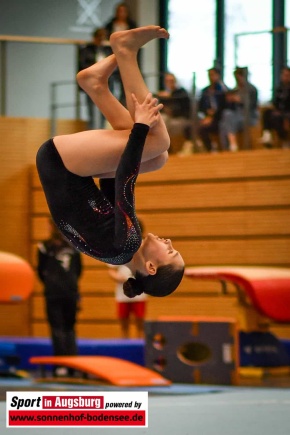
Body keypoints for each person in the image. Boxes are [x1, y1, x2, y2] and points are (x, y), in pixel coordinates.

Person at [36, 26, 185, 301]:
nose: (169, 243)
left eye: (171, 252)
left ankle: (126, 52)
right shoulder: (118, 253)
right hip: (67, 169)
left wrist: (140, 128)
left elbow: (124, 182)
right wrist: (134, 137)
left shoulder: (127, 244)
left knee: (158, 140)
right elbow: (112, 183)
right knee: (158, 158)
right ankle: (96, 85)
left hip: (62, 164)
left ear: (151, 267)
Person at [37, 219, 82, 376]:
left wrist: (51, 284)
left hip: (55, 292)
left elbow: (40, 271)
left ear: (51, 226)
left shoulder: (45, 246)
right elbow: (78, 271)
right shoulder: (73, 245)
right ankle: (71, 365)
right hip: (69, 291)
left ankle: (62, 364)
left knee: (58, 328)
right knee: (69, 328)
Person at [108, 220, 147, 339]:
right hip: (122, 292)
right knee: (124, 322)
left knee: (140, 321)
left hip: (139, 291)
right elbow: (111, 270)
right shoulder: (119, 247)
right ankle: (124, 341)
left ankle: (140, 341)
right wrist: (118, 278)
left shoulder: (145, 246)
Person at [78, 28, 113, 129]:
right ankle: (92, 132)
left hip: (105, 84)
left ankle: (102, 132)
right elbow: (83, 65)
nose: (101, 40)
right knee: (91, 112)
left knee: (105, 111)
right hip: (91, 84)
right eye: (99, 37)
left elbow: (114, 67)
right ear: (94, 38)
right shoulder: (86, 50)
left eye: (103, 37)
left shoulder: (108, 50)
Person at [105, 3, 138, 107]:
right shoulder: (110, 25)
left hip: (126, 57)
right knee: (110, 83)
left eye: (124, 11)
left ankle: (124, 107)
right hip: (112, 55)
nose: (121, 14)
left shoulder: (132, 25)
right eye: (120, 11)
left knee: (125, 84)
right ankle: (111, 106)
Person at [219, 67, 259, 151]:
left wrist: (240, 100)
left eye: (238, 77)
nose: (237, 80)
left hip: (249, 116)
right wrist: (230, 100)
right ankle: (228, 148)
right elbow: (230, 108)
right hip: (236, 117)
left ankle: (232, 145)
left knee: (226, 120)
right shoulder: (235, 90)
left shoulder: (252, 89)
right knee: (223, 122)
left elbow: (252, 105)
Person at [157, 72, 192, 153]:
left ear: (175, 81)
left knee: (165, 122)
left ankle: (165, 148)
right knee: (162, 119)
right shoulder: (163, 94)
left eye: (171, 80)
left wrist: (170, 96)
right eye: (167, 81)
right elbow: (161, 108)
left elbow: (185, 109)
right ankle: (164, 147)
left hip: (180, 118)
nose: (169, 83)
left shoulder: (181, 92)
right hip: (168, 118)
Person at [197, 67, 228, 152]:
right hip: (206, 117)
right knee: (194, 127)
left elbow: (224, 107)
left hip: (219, 118)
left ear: (218, 75)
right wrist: (204, 116)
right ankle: (209, 148)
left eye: (213, 75)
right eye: (209, 75)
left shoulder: (223, 90)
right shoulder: (205, 91)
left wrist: (213, 116)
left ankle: (217, 148)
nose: (211, 77)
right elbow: (200, 107)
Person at [259, 66, 290, 148]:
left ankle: (284, 140)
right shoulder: (279, 88)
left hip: (286, 114)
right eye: (283, 75)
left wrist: (284, 114)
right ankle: (267, 135)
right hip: (279, 113)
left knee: (279, 118)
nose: (284, 77)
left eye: (287, 75)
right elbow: (275, 103)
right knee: (267, 113)